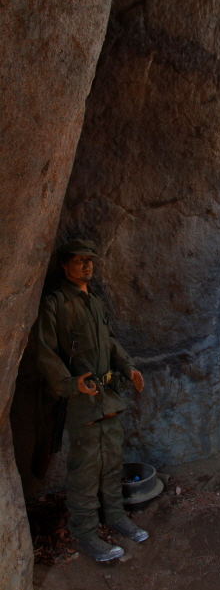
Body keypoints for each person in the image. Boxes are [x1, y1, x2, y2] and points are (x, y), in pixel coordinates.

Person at [36, 239, 148, 562]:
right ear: (64, 265)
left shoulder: (95, 303)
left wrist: (128, 368)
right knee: (84, 470)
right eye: (79, 260)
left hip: (108, 398)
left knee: (112, 461)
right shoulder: (55, 304)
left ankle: (114, 517)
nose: (87, 266)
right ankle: (85, 533)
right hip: (80, 401)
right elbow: (45, 354)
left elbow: (110, 342)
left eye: (90, 261)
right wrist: (72, 384)